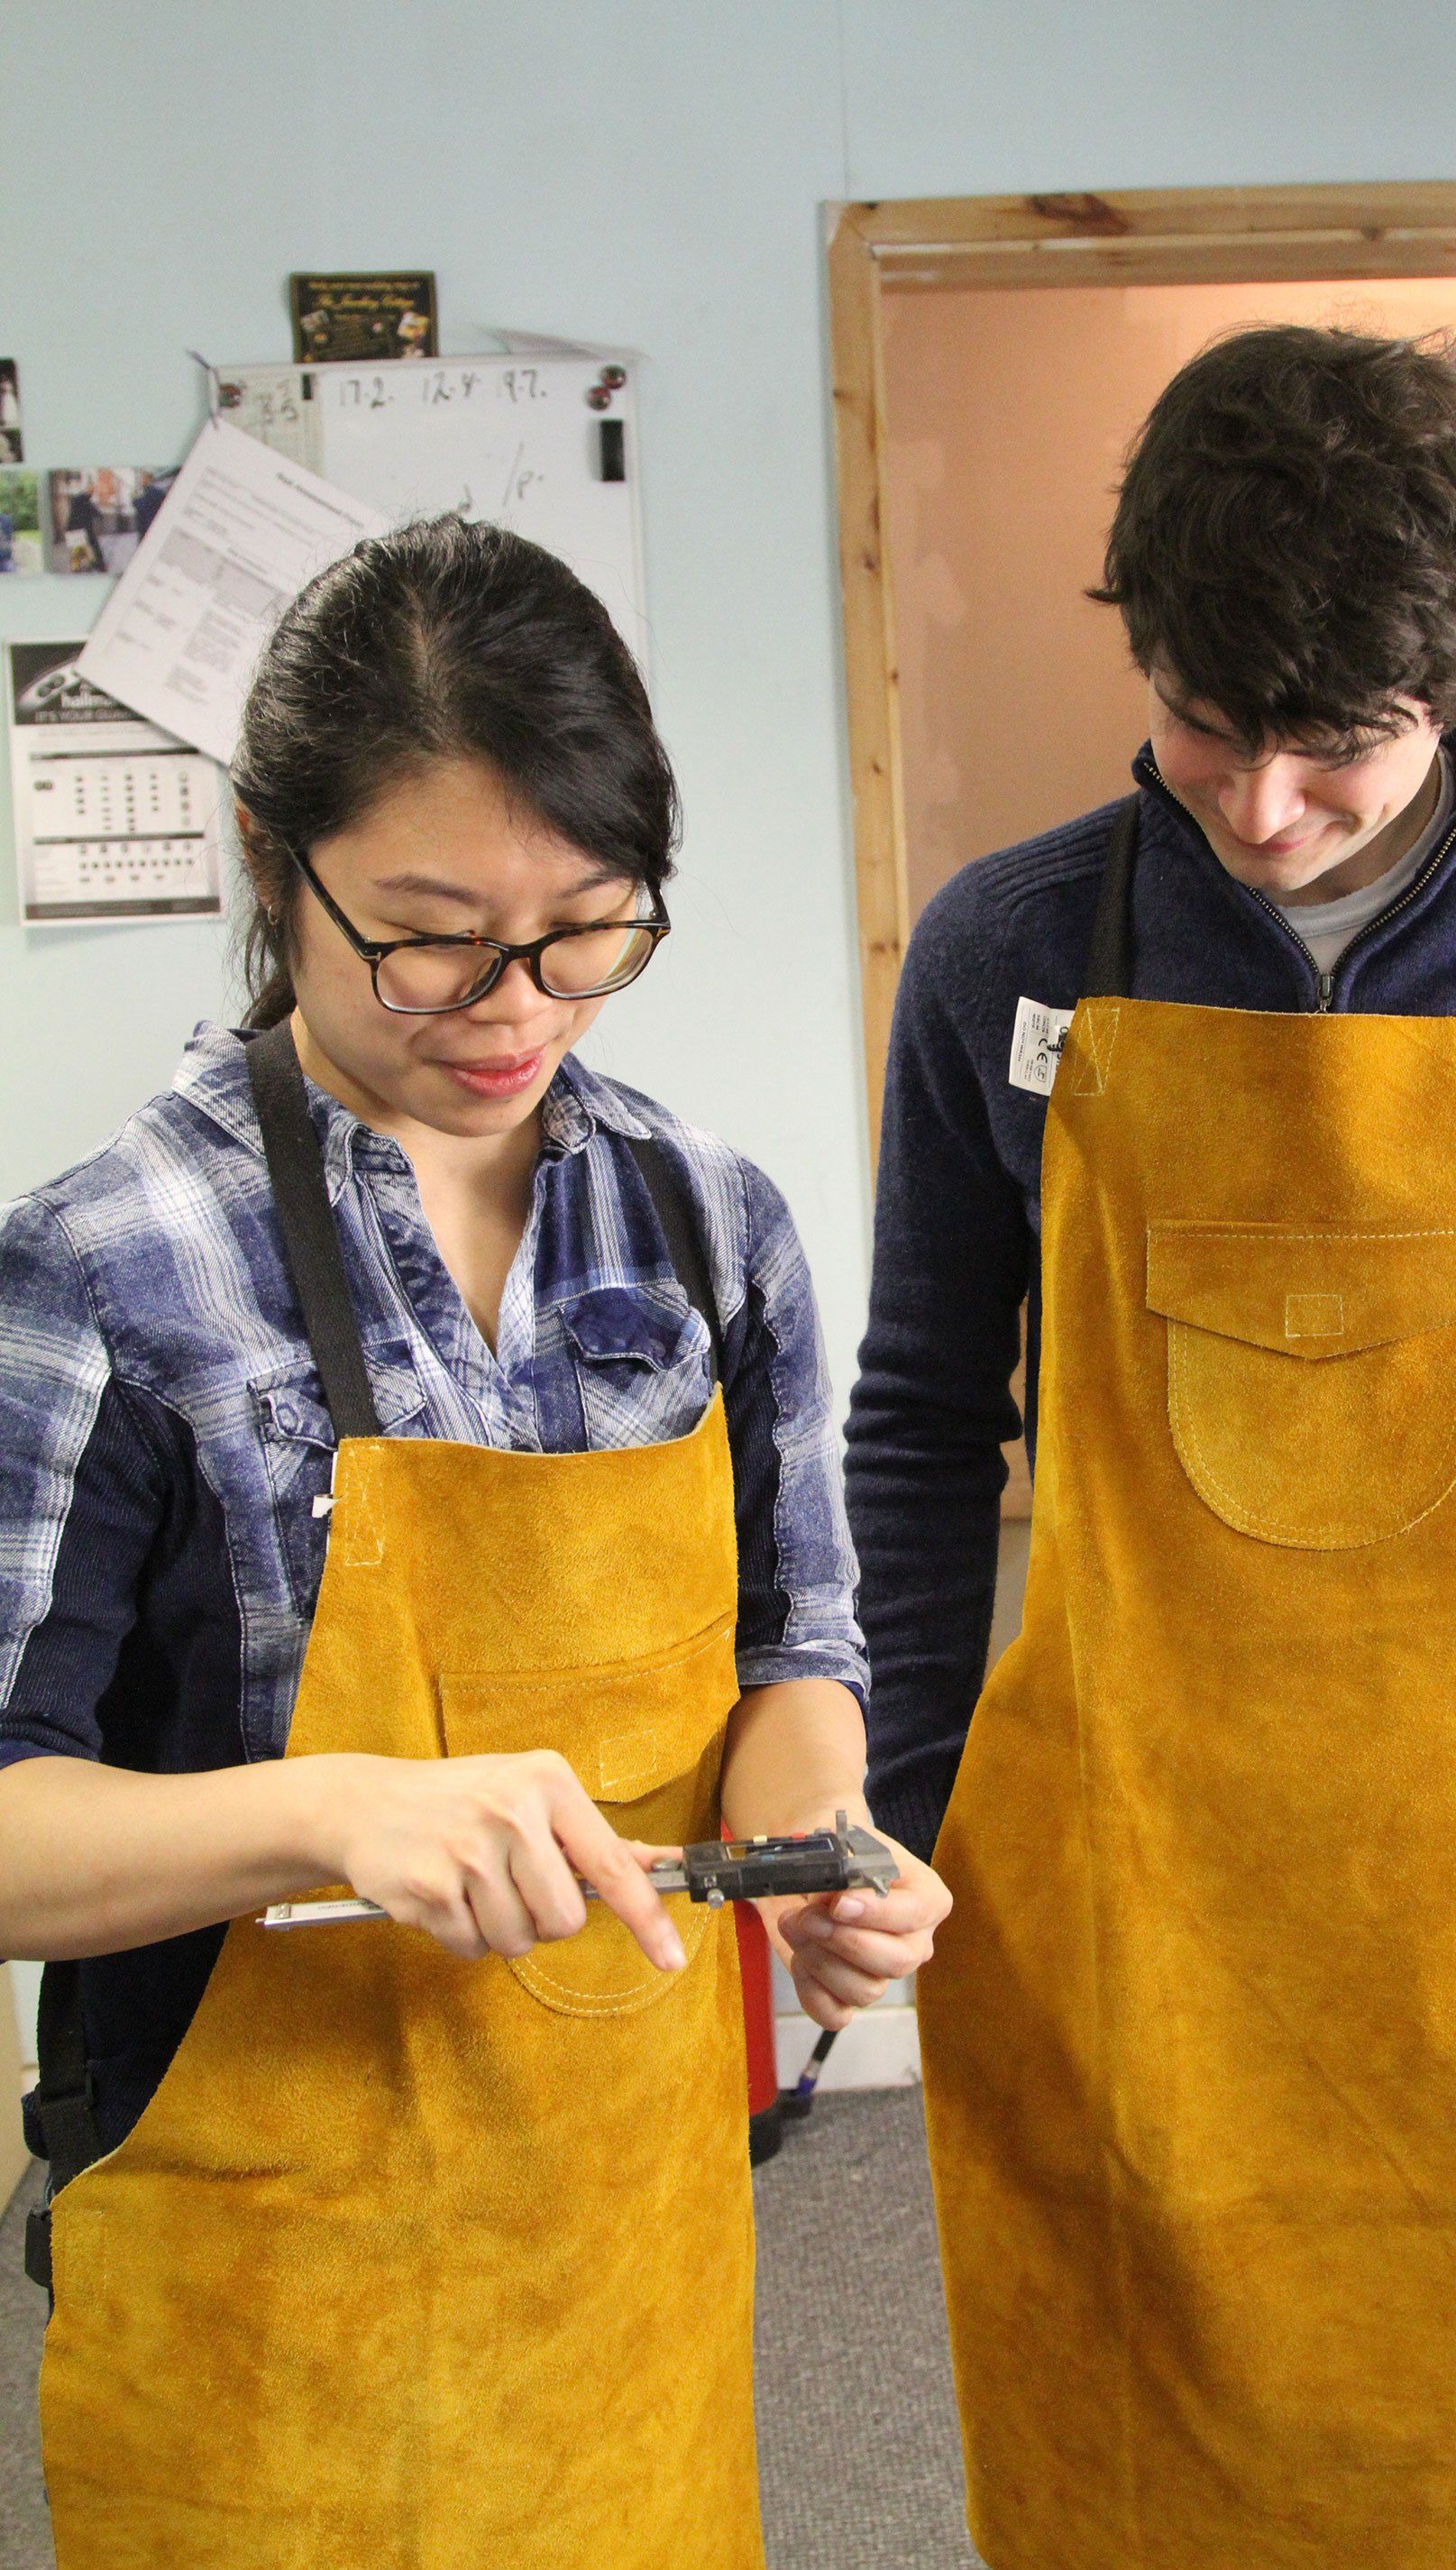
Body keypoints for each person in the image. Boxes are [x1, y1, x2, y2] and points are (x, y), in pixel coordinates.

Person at [0, 515, 949, 2570]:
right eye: (427, 936)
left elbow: (796, 1645)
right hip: (269, 2284)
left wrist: (816, 1846)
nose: (514, 1008)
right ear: (273, 863)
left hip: (624, 2245)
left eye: (586, 929)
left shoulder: (708, 1224)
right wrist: (328, 1812)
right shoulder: (112, 1268)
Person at [845, 325, 1456, 2569]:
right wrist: (910, 1805)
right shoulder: (1005, 951)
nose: (1256, 807)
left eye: (1336, 744)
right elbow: (921, 1417)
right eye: (1204, 724)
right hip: (1138, 1884)